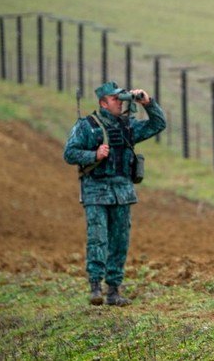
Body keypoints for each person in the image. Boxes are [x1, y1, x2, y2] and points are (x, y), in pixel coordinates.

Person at [63, 80, 166, 306]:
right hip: (96, 190)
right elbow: (69, 153)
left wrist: (147, 102)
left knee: (120, 241)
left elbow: (158, 125)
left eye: (122, 98)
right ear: (103, 103)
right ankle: (95, 287)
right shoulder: (87, 126)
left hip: (123, 191)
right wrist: (94, 155)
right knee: (97, 239)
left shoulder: (128, 126)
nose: (119, 103)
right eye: (114, 99)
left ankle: (113, 290)